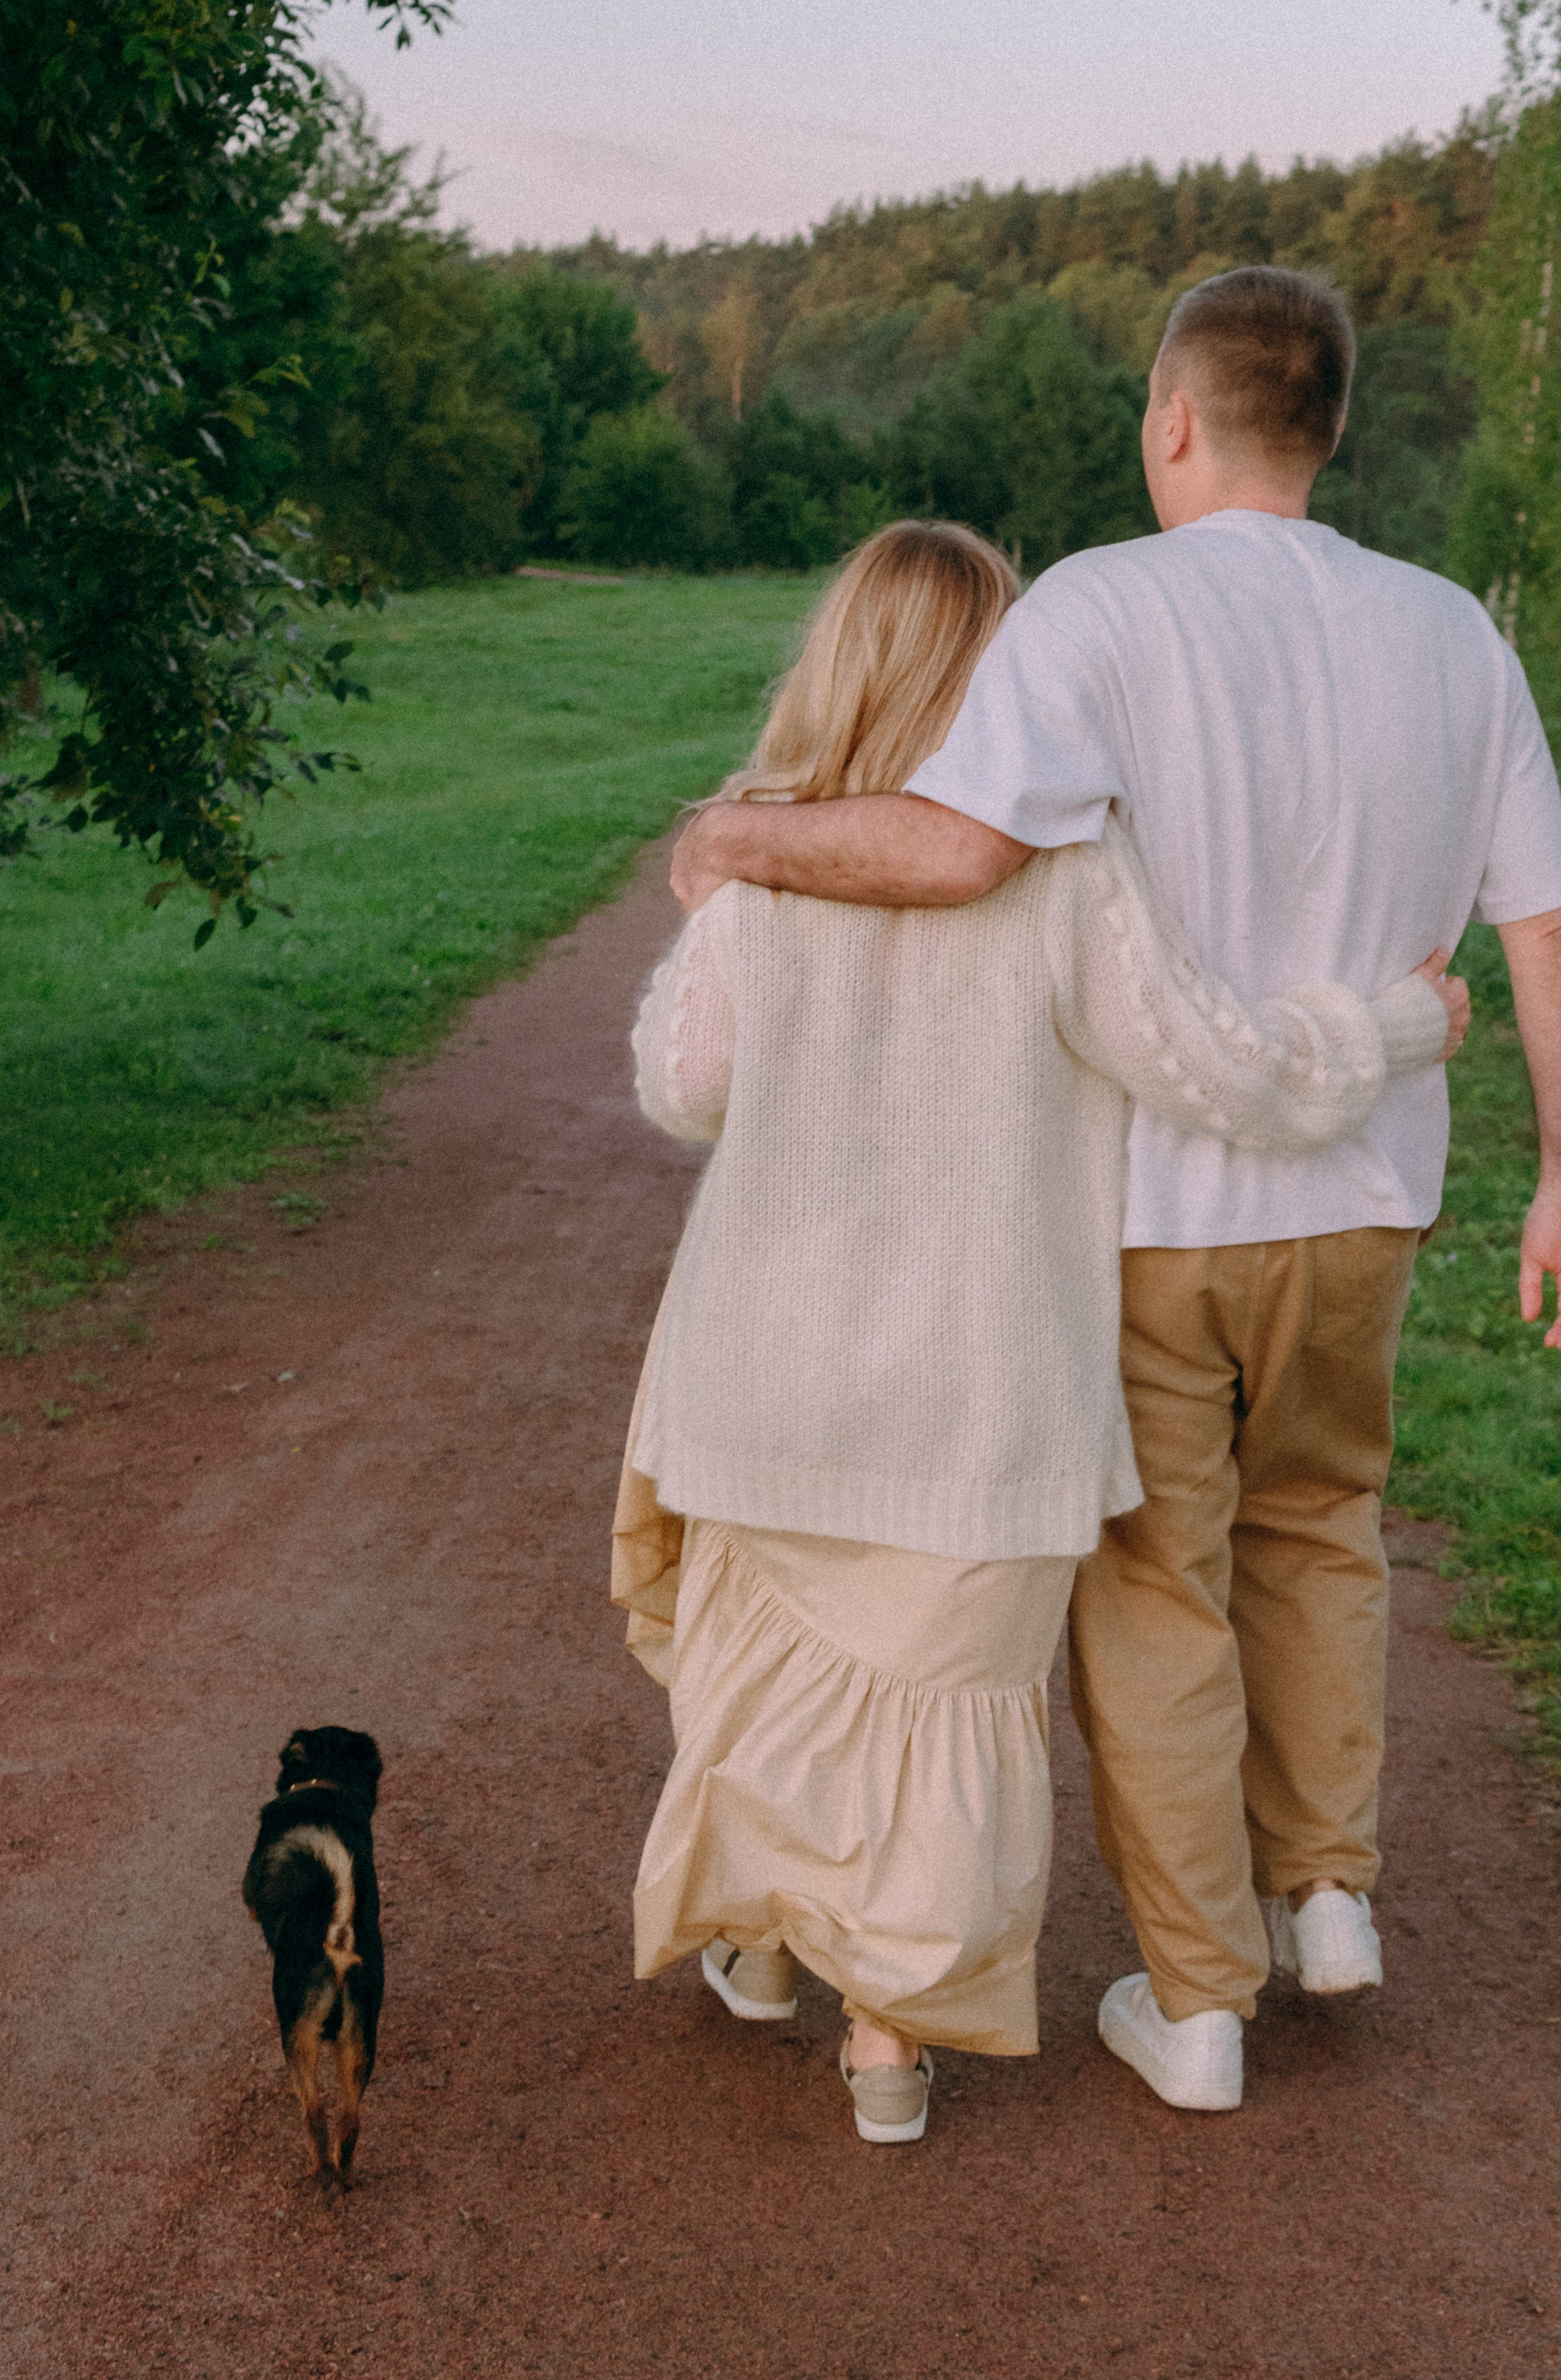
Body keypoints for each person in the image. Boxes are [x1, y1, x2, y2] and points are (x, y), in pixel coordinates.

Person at [666, 266, 1561, 2116]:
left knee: (1158, 1583)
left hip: (1162, 1206)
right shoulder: (1458, 639)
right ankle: (1327, 1889)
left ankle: (1202, 2000)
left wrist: (738, 834)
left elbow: (957, 849)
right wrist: (1560, 1167)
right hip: (1371, 1198)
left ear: (1173, 419)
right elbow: (1542, 917)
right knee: (1326, 1521)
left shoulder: (1101, 605)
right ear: (1329, 428)